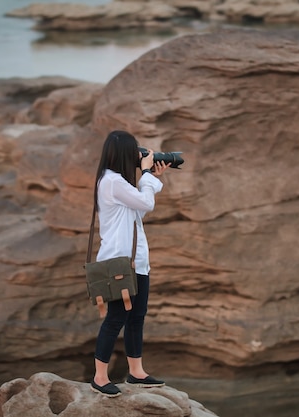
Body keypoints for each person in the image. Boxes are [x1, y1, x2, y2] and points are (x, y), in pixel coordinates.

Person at [90, 130, 170, 398]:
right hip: (119, 262)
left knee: (137, 317)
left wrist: (151, 176)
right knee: (115, 319)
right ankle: (100, 378)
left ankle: (137, 372)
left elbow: (137, 208)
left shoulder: (118, 183)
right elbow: (146, 203)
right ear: (124, 153)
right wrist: (146, 176)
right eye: (135, 150)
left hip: (136, 262)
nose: (140, 154)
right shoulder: (112, 182)